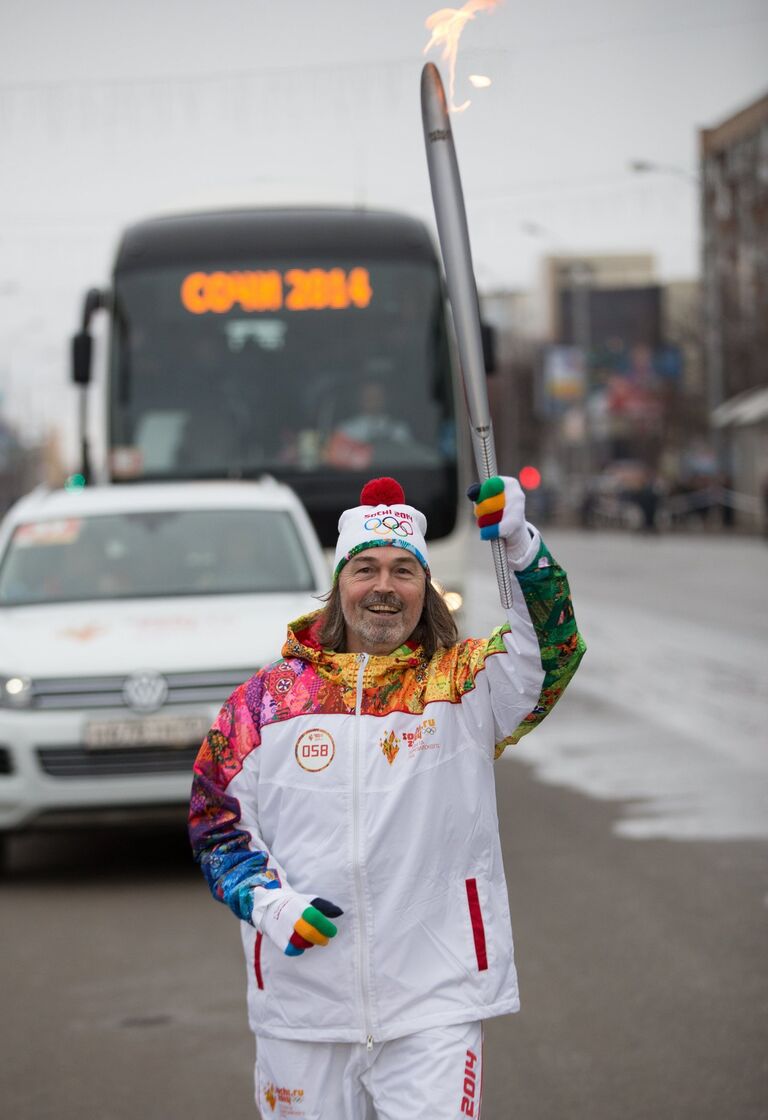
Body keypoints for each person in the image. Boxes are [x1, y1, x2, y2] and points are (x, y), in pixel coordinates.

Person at [189, 474, 585, 1119]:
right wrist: (268, 904)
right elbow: (216, 823)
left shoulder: (463, 687)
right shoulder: (264, 703)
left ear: (425, 587)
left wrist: (521, 548)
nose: (383, 586)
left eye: (404, 570)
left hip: (434, 1000)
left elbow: (552, 651)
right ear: (339, 583)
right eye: (365, 568)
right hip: (301, 1006)